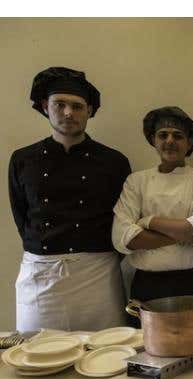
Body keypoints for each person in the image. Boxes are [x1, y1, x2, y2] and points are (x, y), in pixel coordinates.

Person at [9, 67, 131, 332]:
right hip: (41, 273)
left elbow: (123, 219)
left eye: (77, 106)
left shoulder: (114, 162)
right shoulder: (22, 159)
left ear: (89, 111)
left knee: (106, 349)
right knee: (36, 349)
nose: (68, 113)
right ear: (45, 106)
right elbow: (21, 215)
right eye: (60, 104)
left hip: (98, 275)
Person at [112, 106, 193, 313]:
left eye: (178, 136)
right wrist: (182, 233)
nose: (170, 141)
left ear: (189, 143)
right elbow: (122, 237)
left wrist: (148, 221)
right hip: (147, 285)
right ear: (153, 140)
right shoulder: (136, 181)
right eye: (163, 135)